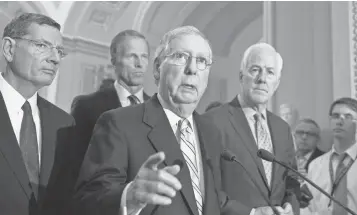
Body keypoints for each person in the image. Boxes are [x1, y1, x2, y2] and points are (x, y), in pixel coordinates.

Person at [72, 26, 242, 215]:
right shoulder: (118, 123)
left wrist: (256, 213)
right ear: (157, 68)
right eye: (181, 57)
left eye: (201, 61)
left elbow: (212, 200)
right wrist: (128, 197)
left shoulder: (211, 132)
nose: (192, 69)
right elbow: (88, 200)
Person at [204, 43, 300, 215]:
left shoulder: (282, 129)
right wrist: (252, 213)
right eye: (255, 70)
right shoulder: (212, 121)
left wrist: (291, 206)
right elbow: (207, 189)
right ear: (241, 76)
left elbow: (291, 181)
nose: (262, 78)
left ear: (276, 83)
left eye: (270, 72)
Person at [0, 13, 74, 215]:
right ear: (9, 49)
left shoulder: (64, 123)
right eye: (42, 45)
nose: (54, 58)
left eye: (59, 51)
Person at [302, 97, 357, 215]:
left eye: (347, 116)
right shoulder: (316, 165)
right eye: (335, 116)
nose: (339, 121)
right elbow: (307, 206)